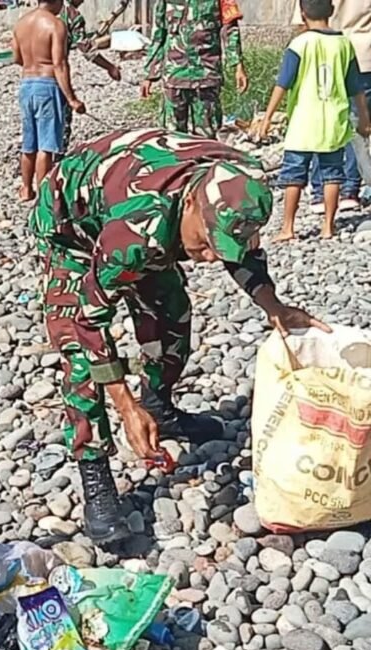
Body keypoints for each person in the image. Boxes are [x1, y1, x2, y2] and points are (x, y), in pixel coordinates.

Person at [29, 128, 329, 544]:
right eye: (205, 245)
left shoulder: (241, 180)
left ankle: (161, 406)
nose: (209, 258)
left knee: (172, 314)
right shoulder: (138, 232)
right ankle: (95, 473)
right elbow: (88, 321)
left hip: (137, 206)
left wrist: (273, 306)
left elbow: (242, 249)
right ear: (190, 203)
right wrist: (126, 407)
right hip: (71, 227)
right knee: (81, 359)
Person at [260, 0, 371, 240]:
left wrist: (267, 117)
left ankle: (288, 227)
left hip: (303, 122)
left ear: (302, 14)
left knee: (293, 175)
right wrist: (364, 117)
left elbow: (283, 83)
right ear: (331, 12)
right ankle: (328, 226)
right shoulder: (344, 44)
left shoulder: (299, 44)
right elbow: (356, 88)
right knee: (333, 172)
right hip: (334, 122)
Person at [291, 0, 371, 212]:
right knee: (355, 128)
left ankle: (320, 192)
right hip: (364, 56)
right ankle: (349, 191)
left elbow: (302, 22)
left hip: (321, 58)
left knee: (322, 122)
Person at [12, 0, 86, 202]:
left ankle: (26, 189)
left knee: (29, 143)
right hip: (48, 85)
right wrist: (72, 99)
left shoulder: (21, 23)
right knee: (46, 145)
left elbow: (16, 57)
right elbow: (59, 65)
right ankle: (44, 194)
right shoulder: (55, 24)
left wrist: (32, 63)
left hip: (26, 85)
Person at [142, 0, 249, 138]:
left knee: (207, 139)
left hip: (206, 77)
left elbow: (229, 30)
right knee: (171, 138)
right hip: (174, 78)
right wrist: (149, 74)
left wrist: (238, 65)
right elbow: (158, 34)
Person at [59, 0, 121, 154]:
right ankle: (53, 171)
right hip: (57, 78)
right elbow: (87, 50)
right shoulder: (71, 15)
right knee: (58, 134)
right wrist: (110, 67)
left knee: (35, 141)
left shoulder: (39, 13)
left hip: (30, 81)